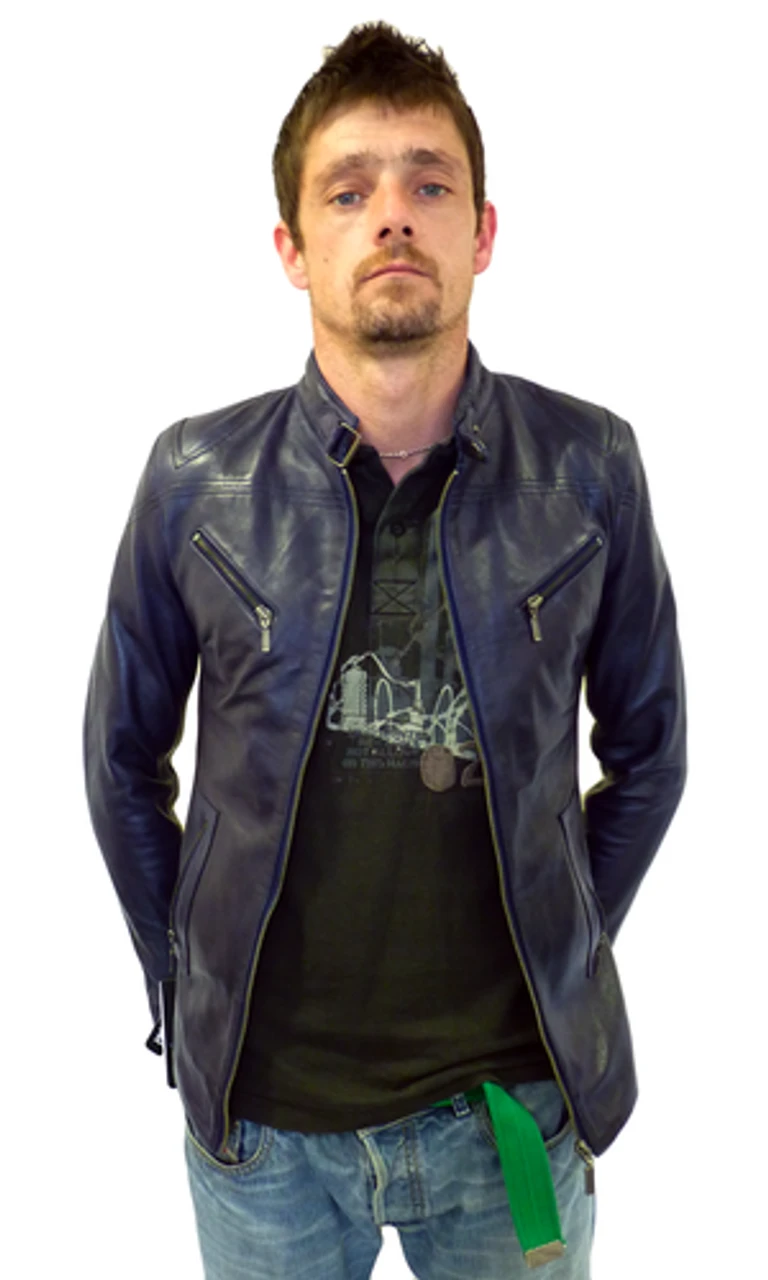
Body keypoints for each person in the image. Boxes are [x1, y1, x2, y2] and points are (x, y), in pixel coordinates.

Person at [83, 20, 687, 1280]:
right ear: (292, 249)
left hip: (513, 1112)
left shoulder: (590, 467)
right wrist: (189, 983)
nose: (393, 216)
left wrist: (564, 948)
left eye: (430, 184)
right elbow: (121, 761)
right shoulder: (196, 478)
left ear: (484, 232)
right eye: (348, 191)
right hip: (265, 1132)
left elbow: (650, 755)